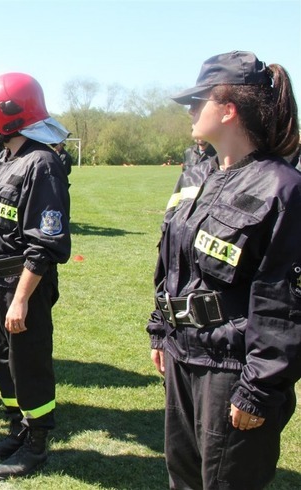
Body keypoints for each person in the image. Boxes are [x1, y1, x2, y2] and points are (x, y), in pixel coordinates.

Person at [146, 51, 301, 489]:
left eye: (199, 101)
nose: (192, 111)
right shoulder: (204, 176)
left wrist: (258, 389)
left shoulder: (283, 188)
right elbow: (174, 262)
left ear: (229, 109)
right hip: (184, 357)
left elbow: (284, 303)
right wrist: (162, 328)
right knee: (184, 479)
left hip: (231, 370)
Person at [0, 73, 71, 479]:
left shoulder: (42, 163)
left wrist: (21, 297)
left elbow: (44, 243)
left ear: (11, 115)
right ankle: (18, 429)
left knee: (29, 365)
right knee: (4, 362)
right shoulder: (7, 159)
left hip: (20, 285)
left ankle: (37, 442)